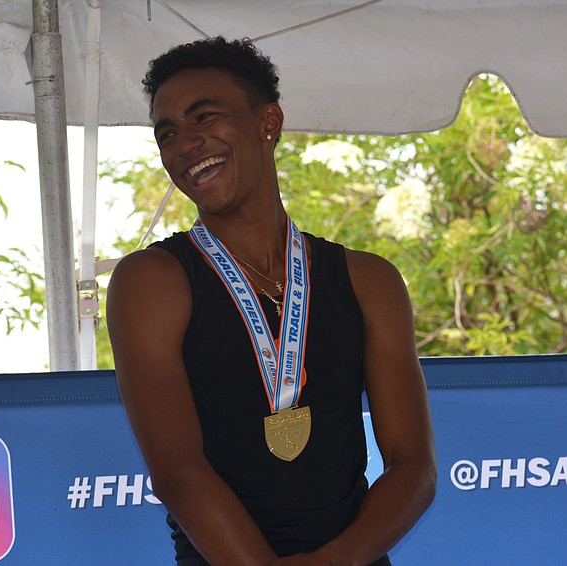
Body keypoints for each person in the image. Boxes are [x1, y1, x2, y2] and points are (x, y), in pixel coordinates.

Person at [107, 37, 436, 565]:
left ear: (269, 122)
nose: (185, 144)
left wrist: (341, 560)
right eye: (167, 133)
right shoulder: (151, 281)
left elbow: (412, 465)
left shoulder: (368, 280)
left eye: (204, 117)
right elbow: (178, 472)